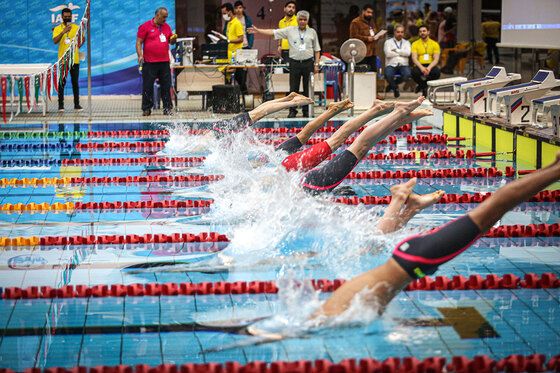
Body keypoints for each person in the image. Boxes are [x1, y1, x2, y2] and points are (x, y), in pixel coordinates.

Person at [314, 150, 560, 318]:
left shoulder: (322, 322)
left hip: (413, 260)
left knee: (491, 212)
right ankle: (554, 169)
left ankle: (554, 170)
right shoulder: (323, 317)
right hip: (409, 259)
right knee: (490, 214)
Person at [299, 97, 431, 195]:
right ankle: (401, 119)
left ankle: (398, 112)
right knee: (361, 148)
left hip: (314, 185)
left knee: (358, 145)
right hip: (313, 185)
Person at [248, 11, 321, 118]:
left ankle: (306, 110)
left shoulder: (312, 32)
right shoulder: (290, 30)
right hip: (295, 63)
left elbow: (317, 50)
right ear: (297, 20)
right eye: (300, 19)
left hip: (308, 63)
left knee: (308, 88)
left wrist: (316, 64)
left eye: (305, 20)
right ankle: (292, 111)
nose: (302, 22)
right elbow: (273, 32)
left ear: (307, 21)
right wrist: (258, 30)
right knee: (293, 89)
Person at [136, 7, 177, 116]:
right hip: (149, 62)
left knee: (166, 86)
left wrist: (173, 40)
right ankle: (146, 108)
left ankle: (167, 108)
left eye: (166, 17)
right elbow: (139, 42)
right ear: (157, 15)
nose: (165, 19)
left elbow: (170, 41)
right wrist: (140, 56)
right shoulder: (145, 26)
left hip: (164, 62)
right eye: (163, 17)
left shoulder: (167, 27)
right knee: (148, 86)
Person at [52, 7, 82, 112]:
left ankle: (77, 105)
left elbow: (82, 39)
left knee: (75, 83)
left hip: (74, 60)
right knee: (61, 83)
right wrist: (63, 32)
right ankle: (60, 105)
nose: (67, 19)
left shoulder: (76, 27)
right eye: (65, 17)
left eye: (69, 17)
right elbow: (55, 41)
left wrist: (76, 46)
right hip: (62, 60)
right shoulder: (57, 28)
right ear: (62, 17)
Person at [221, 3, 247, 95]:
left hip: (237, 56)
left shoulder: (237, 23)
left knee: (240, 81)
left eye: (224, 13)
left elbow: (240, 38)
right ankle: (229, 103)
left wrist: (229, 41)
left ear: (230, 12)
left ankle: (245, 101)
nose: (224, 16)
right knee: (228, 81)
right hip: (229, 55)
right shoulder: (228, 24)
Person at [349, 4, 381, 73]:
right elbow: (353, 37)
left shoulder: (371, 22)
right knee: (361, 73)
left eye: (371, 13)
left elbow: (374, 32)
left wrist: (378, 35)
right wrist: (366, 38)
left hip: (372, 51)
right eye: (368, 12)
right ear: (363, 11)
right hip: (362, 52)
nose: (370, 14)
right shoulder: (356, 22)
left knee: (372, 72)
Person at [410, 25, 440, 97]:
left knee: (437, 73)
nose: (422, 33)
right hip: (419, 65)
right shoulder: (415, 44)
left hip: (431, 64)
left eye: (424, 31)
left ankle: (422, 86)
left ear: (428, 32)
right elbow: (414, 58)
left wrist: (429, 68)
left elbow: (436, 59)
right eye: (420, 32)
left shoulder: (435, 44)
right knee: (414, 73)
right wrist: (422, 68)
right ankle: (424, 86)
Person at [383, 25, 411, 98]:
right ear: (394, 33)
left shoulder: (407, 43)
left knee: (407, 74)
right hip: (391, 64)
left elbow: (408, 53)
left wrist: (396, 50)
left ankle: (391, 85)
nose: (400, 34)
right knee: (388, 75)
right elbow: (388, 54)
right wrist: (402, 52)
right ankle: (395, 88)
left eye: (402, 32)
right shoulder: (388, 42)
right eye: (398, 32)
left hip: (403, 64)